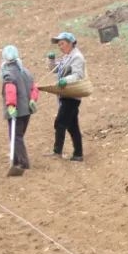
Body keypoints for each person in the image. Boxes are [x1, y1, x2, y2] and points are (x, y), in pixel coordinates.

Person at [0, 44, 40, 174]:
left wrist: (11, 105)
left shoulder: (8, 74)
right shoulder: (26, 72)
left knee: (16, 137)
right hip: (27, 110)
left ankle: (23, 163)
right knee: (18, 136)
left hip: (16, 110)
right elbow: (34, 87)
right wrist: (33, 99)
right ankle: (16, 159)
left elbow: (10, 90)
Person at [49, 31, 86, 161]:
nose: (60, 46)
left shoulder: (77, 57)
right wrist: (51, 60)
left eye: (62, 43)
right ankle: (78, 154)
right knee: (72, 126)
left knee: (60, 123)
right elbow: (54, 69)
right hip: (66, 95)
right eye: (59, 45)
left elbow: (78, 75)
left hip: (71, 96)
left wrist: (66, 80)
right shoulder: (67, 56)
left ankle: (57, 152)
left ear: (71, 43)